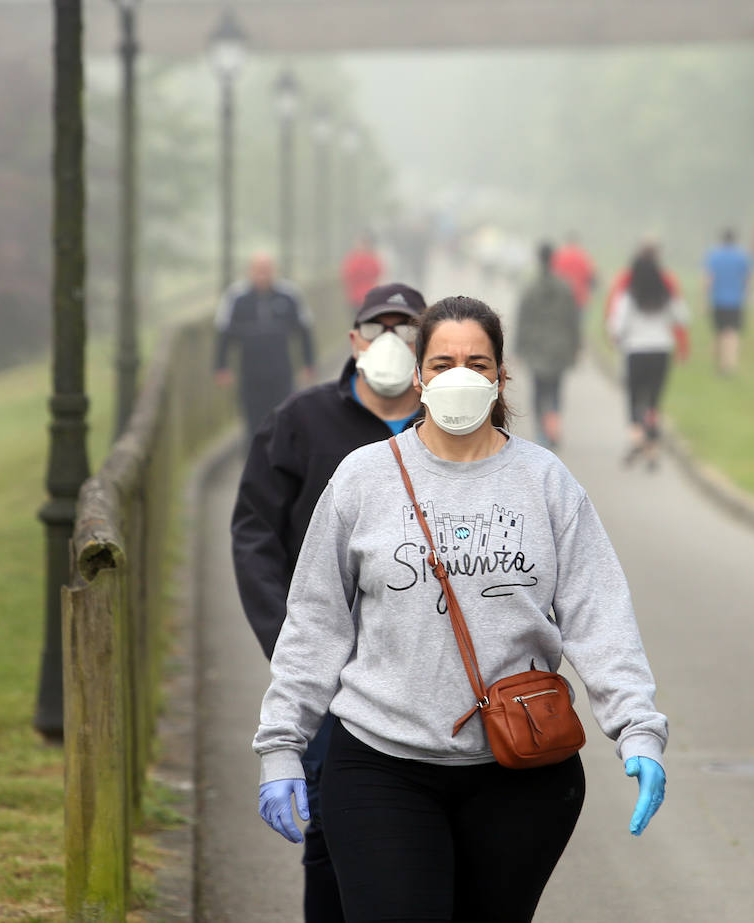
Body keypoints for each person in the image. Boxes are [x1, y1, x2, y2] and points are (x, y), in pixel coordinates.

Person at [254, 296, 668, 923]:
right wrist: (282, 742)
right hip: (380, 767)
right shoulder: (363, 479)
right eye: (442, 363)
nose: (459, 376)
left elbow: (599, 614)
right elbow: (315, 622)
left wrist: (637, 726)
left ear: (501, 377)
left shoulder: (546, 483)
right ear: (418, 376)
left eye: (477, 363)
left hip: (521, 772)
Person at [232, 282, 429, 922]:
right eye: (378, 328)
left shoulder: (452, 427)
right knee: (331, 831)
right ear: (354, 340)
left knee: (417, 834)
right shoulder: (300, 422)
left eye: (407, 328)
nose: (391, 341)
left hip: (423, 674)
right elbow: (255, 532)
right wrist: (289, 643)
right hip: (329, 673)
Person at [214, 251, 315, 437]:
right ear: (250, 271)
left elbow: (305, 330)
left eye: (266, 270)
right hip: (249, 374)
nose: (262, 275)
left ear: (274, 270)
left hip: (281, 372)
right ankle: (255, 454)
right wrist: (221, 367)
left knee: (283, 420)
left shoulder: (289, 295)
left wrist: (309, 363)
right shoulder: (236, 297)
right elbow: (224, 333)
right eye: (258, 270)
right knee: (253, 423)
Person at [609, 251, 690, 471]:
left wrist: (619, 339)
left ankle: (637, 439)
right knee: (654, 400)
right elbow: (683, 317)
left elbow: (617, 326)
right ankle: (652, 446)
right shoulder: (666, 294)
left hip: (635, 350)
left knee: (635, 397)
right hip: (661, 350)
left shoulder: (629, 295)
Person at [515, 241, 581, 449]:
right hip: (560, 347)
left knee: (538, 390)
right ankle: (553, 425)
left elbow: (523, 319)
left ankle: (541, 431)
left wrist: (518, 347)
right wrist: (576, 345)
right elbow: (573, 319)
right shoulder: (565, 288)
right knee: (555, 389)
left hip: (536, 347)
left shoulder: (530, 288)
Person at [704, 228, 754, 376]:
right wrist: (747, 294)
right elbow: (747, 278)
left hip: (718, 300)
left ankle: (719, 363)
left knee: (719, 332)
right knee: (732, 333)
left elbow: (708, 279)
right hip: (735, 301)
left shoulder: (714, 256)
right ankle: (730, 364)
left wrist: (706, 299)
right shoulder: (742, 257)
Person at [551, 230, 596, 309]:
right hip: (579, 299)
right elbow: (592, 279)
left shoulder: (558, 256)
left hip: (561, 299)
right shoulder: (583, 257)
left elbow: (552, 275)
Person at [341, 233, 383, 312]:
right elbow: (378, 271)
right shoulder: (371, 257)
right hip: (368, 296)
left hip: (357, 297)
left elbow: (347, 274)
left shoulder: (354, 259)